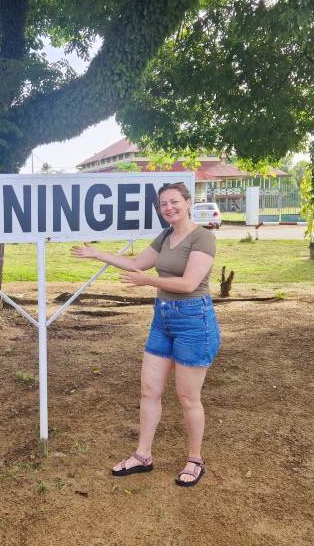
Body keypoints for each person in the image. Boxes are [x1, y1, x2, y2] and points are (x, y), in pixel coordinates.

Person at [71, 182, 220, 487]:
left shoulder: (203, 237)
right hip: (162, 320)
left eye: (174, 201)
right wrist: (96, 253)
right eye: (163, 204)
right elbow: (136, 263)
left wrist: (147, 282)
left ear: (188, 202)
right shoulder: (166, 236)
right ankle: (143, 456)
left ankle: (195, 459)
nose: (169, 208)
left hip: (193, 321)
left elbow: (190, 283)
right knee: (149, 392)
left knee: (187, 397)